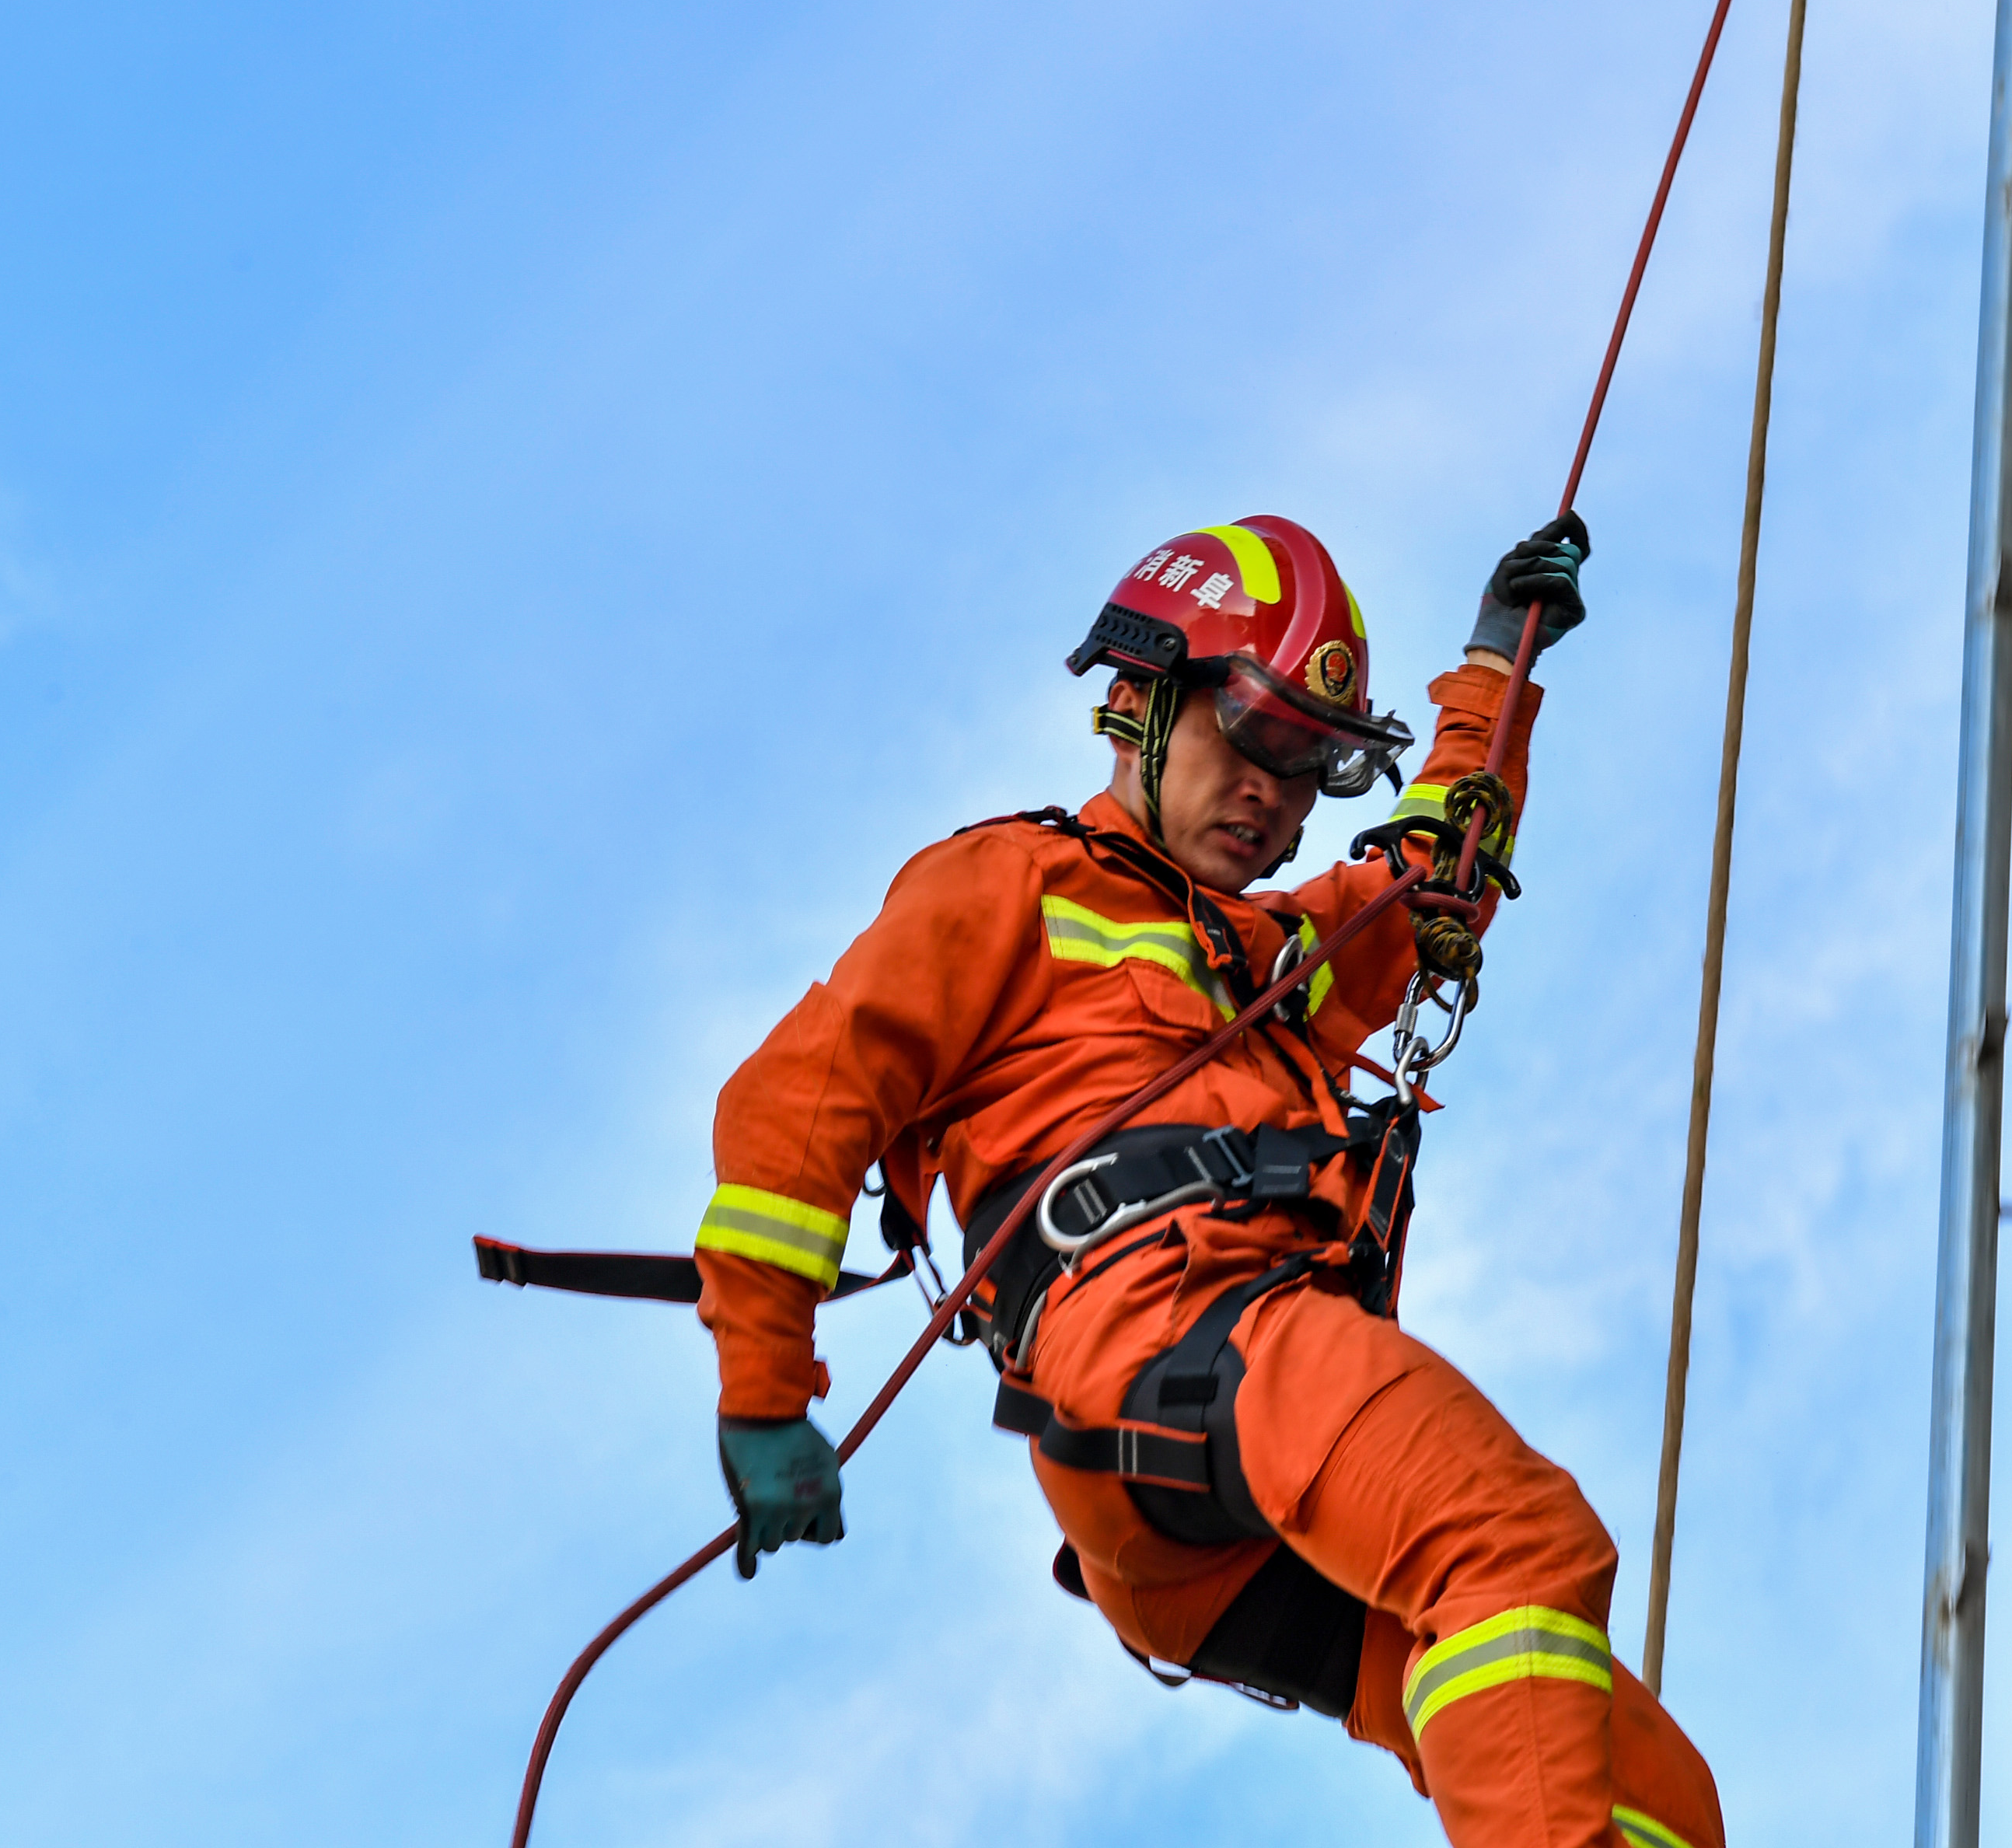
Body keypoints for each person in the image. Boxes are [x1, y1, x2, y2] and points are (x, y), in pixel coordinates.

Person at [693, 512, 1723, 1848]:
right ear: (1141, 702)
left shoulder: (1258, 950)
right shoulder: (1005, 886)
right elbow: (800, 1106)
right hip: (1169, 1338)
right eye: (1258, 739)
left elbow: (1426, 885)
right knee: (1514, 1540)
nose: (1281, 797)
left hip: (1198, 1483)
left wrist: (1495, 670)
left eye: (1313, 768)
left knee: (1638, 1786)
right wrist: (764, 1395)